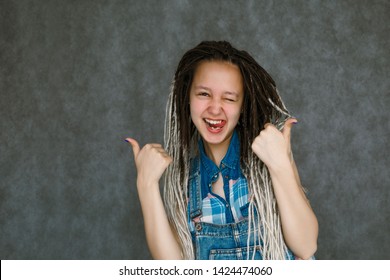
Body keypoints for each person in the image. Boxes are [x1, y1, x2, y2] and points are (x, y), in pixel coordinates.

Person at [125, 41, 318, 260]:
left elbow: (306, 246)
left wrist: (281, 165)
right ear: (187, 97)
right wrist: (146, 185)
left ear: (242, 105)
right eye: (204, 94)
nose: (215, 108)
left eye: (229, 98)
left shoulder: (273, 156)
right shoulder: (185, 186)